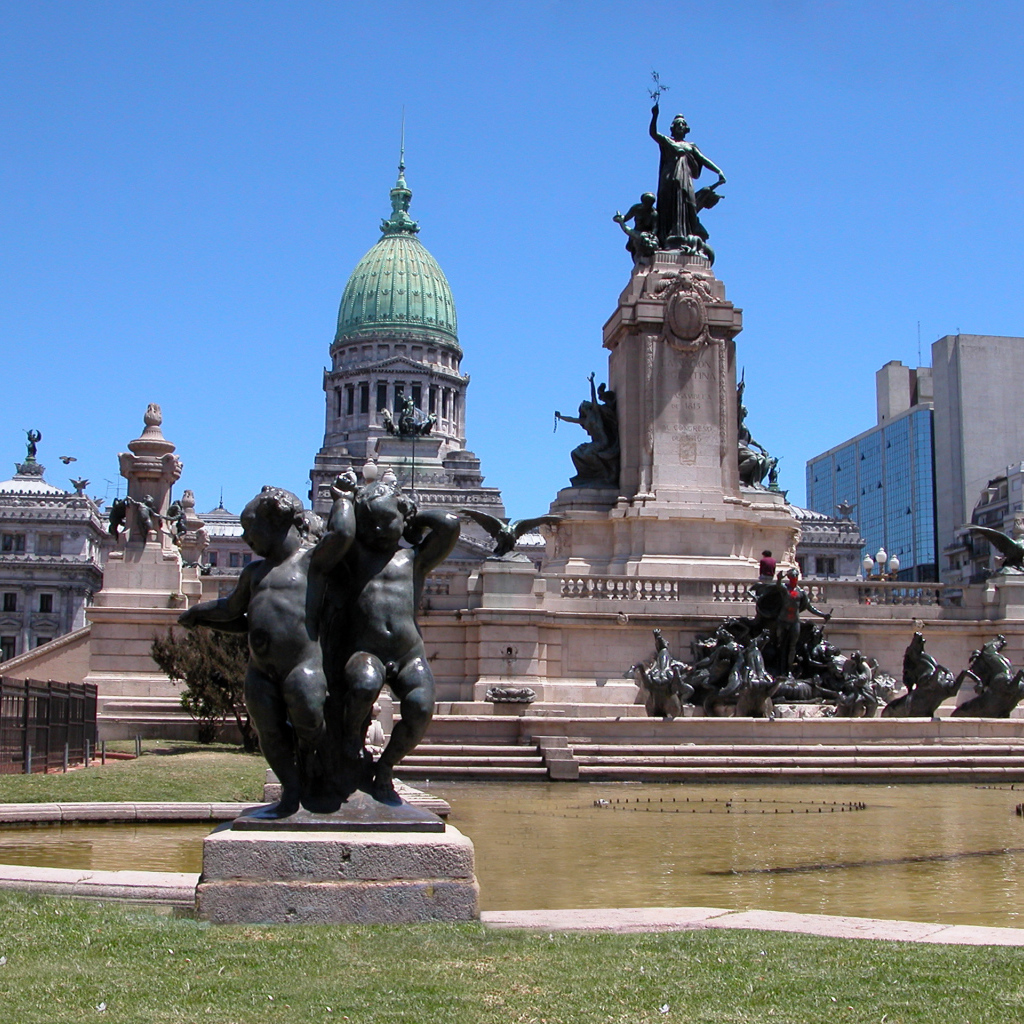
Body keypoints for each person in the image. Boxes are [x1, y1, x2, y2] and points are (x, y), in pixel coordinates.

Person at [178, 484, 355, 818]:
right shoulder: (253, 573)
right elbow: (233, 612)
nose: (246, 539)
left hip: (301, 665)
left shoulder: (311, 562)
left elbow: (343, 534)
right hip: (259, 671)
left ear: (277, 524)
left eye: (250, 530)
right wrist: (201, 615)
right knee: (269, 732)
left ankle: (326, 775)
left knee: (310, 720)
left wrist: (343, 497)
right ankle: (290, 791)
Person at [320, 477, 460, 801]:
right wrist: (344, 501)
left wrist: (413, 518)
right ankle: (350, 740)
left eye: (387, 521)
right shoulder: (353, 558)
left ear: (403, 519)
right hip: (365, 650)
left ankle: (386, 766)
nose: (379, 530)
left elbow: (450, 525)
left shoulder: (414, 561)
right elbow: (336, 536)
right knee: (364, 685)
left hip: (408, 653)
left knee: (422, 707)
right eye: (370, 523)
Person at [649, 104, 725, 251]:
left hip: (685, 179)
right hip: (669, 178)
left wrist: (718, 171)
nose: (681, 126)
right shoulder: (667, 141)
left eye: (683, 124)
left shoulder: (691, 146)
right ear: (672, 127)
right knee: (669, 206)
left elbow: (703, 159)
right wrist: (655, 115)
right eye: (678, 124)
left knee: (688, 204)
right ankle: (668, 237)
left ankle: (686, 237)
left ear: (686, 128)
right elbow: (653, 133)